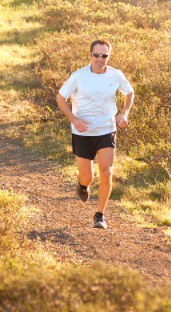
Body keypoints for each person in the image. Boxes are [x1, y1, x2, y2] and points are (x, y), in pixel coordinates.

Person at [56, 39, 134, 229]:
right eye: (96, 55)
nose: (100, 59)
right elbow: (60, 98)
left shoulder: (116, 75)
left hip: (106, 130)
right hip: (82, 132)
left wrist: (124, 113)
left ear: (109, 56)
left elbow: (129, 92)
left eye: (104, 55)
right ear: (90, 55)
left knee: (106, 173)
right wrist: (74, 120)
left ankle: (100, 215)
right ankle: (83, 185)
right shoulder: (78, 76)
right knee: (87, 177)